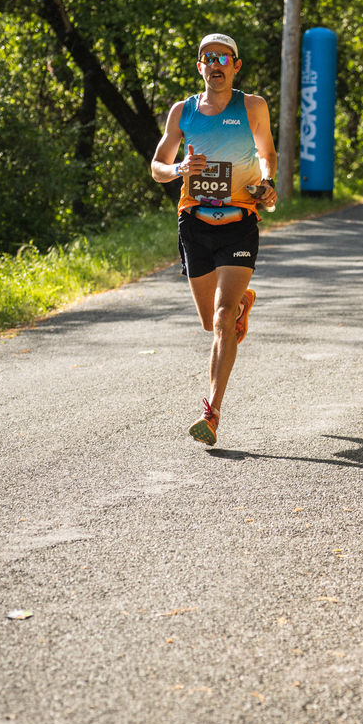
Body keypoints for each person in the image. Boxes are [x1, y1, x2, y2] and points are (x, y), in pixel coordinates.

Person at [151, 32, 277, 446]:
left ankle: (212, 411)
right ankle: (243, 302)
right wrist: (181, 167)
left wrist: (267, 182)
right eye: (209, 57)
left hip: (240, 221)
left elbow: (266, 153)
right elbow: (157, 166)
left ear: (236, 66)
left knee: (223, 320)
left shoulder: (252, 106)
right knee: (211, 322)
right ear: (200, 66)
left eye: (225, 57)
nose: (217, 63)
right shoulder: (182, 112)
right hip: (195, 224)